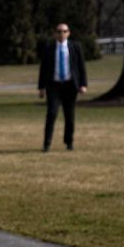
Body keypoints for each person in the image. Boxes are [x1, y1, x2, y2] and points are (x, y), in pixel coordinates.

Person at [37, 23, 88, 151]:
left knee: (69, 115)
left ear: (68, 33)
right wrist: (41, 87)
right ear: (55, 33)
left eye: (64, 31)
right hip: (54, 86)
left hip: (70, 85)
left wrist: (83, 84)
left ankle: (69, 142)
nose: (61, 34)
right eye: (59, 31)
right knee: (52, 113)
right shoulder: (49, 48)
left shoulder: (75, 47)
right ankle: (46, 143)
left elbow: (81, 67)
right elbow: (43, 69)